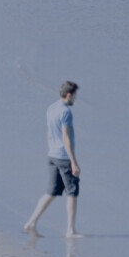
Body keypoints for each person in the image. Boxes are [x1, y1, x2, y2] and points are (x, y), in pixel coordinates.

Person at [24, 81, 82, 238]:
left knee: (51, 192)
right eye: (75, 96)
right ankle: (70, 230)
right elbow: (66, 137)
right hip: (63, 157)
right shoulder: (66, 112)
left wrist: (51, 150)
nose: (75, 99)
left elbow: (49, 132)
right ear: (69, 95)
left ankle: (31, 222)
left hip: (52, 155)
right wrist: (74, 162)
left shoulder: (51, 108)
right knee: (72, 192)